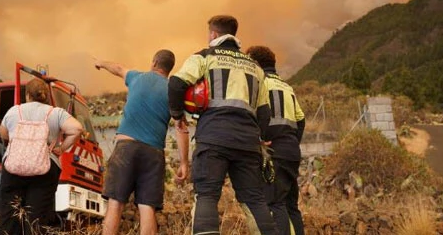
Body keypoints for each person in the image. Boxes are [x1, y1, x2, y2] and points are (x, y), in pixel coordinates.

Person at [167, 15, 277, 235]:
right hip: (247, 142)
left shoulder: (204, 57)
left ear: (214, 34)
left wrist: (178, 116)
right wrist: (260, 137)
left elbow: (176, 84)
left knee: (207, 194)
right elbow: (264, 111)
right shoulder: (255, 68)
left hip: (213, 138)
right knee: (254, 198)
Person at [94, 50, 190, 235]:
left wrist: (100, 62)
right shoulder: (173, 90)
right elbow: (181, 128)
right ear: (170, 69)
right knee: (147, 207)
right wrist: (184, 163)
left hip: (126, 149)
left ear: (154, 62)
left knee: (116, 203)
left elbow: (117, 67)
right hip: (153, 154)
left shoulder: (137, 77)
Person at [0, 78, 84, 235]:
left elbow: (3, 133)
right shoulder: (55, 113)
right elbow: (77, 129)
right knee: (37, 219)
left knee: (9, 217)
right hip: (45, 168)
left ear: (28, 95)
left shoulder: (14, 111)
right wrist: (61, 148)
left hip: (13, 167)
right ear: (45, 96)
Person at [248, 45, 305, 235]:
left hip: (274, 151)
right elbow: (301, 119)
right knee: (291, 206)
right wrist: (292, 142)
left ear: (255, 63)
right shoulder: (287, 86)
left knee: (275, 203)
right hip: (291, 151)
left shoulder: (258, 82)